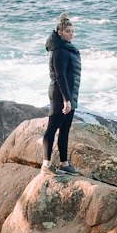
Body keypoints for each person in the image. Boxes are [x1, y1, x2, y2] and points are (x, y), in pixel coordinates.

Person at [42, 13, 81, 173]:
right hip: (60, 94)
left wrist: (70, 98)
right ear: (59, 32)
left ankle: (64, 164)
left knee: (65, 129)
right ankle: (46, 165)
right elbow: (60, 76)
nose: (71, 34)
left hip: (69, 93)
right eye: (67, 31)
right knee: (52, 129)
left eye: (72, 31)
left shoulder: (66, 48)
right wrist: (66, 100)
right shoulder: (59, 51)